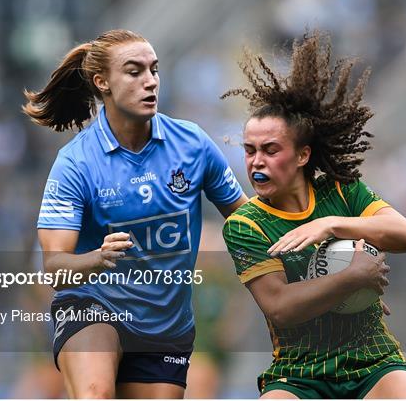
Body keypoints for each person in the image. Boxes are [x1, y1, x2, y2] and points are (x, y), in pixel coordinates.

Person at [23, 29, 247, 399]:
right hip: (91, 304)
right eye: (134, 71)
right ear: (102, 82)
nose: (150, 82)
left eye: (154, 70)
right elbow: (55, 268)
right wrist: (97, 258)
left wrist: (313, 229)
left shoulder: (193, 145)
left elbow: (245, 221)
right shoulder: (75, 163)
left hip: (165, 324)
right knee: (95, 391)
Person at [222, 30, 406, 399]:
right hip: (298, 373)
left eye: (270, 149)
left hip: (372, 361)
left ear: (303, 155)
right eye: (249, 150)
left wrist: (330, 224)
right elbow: (280, 307)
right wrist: (353, 276)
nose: (256, 161)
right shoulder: (245, 224)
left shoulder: (342, 190)